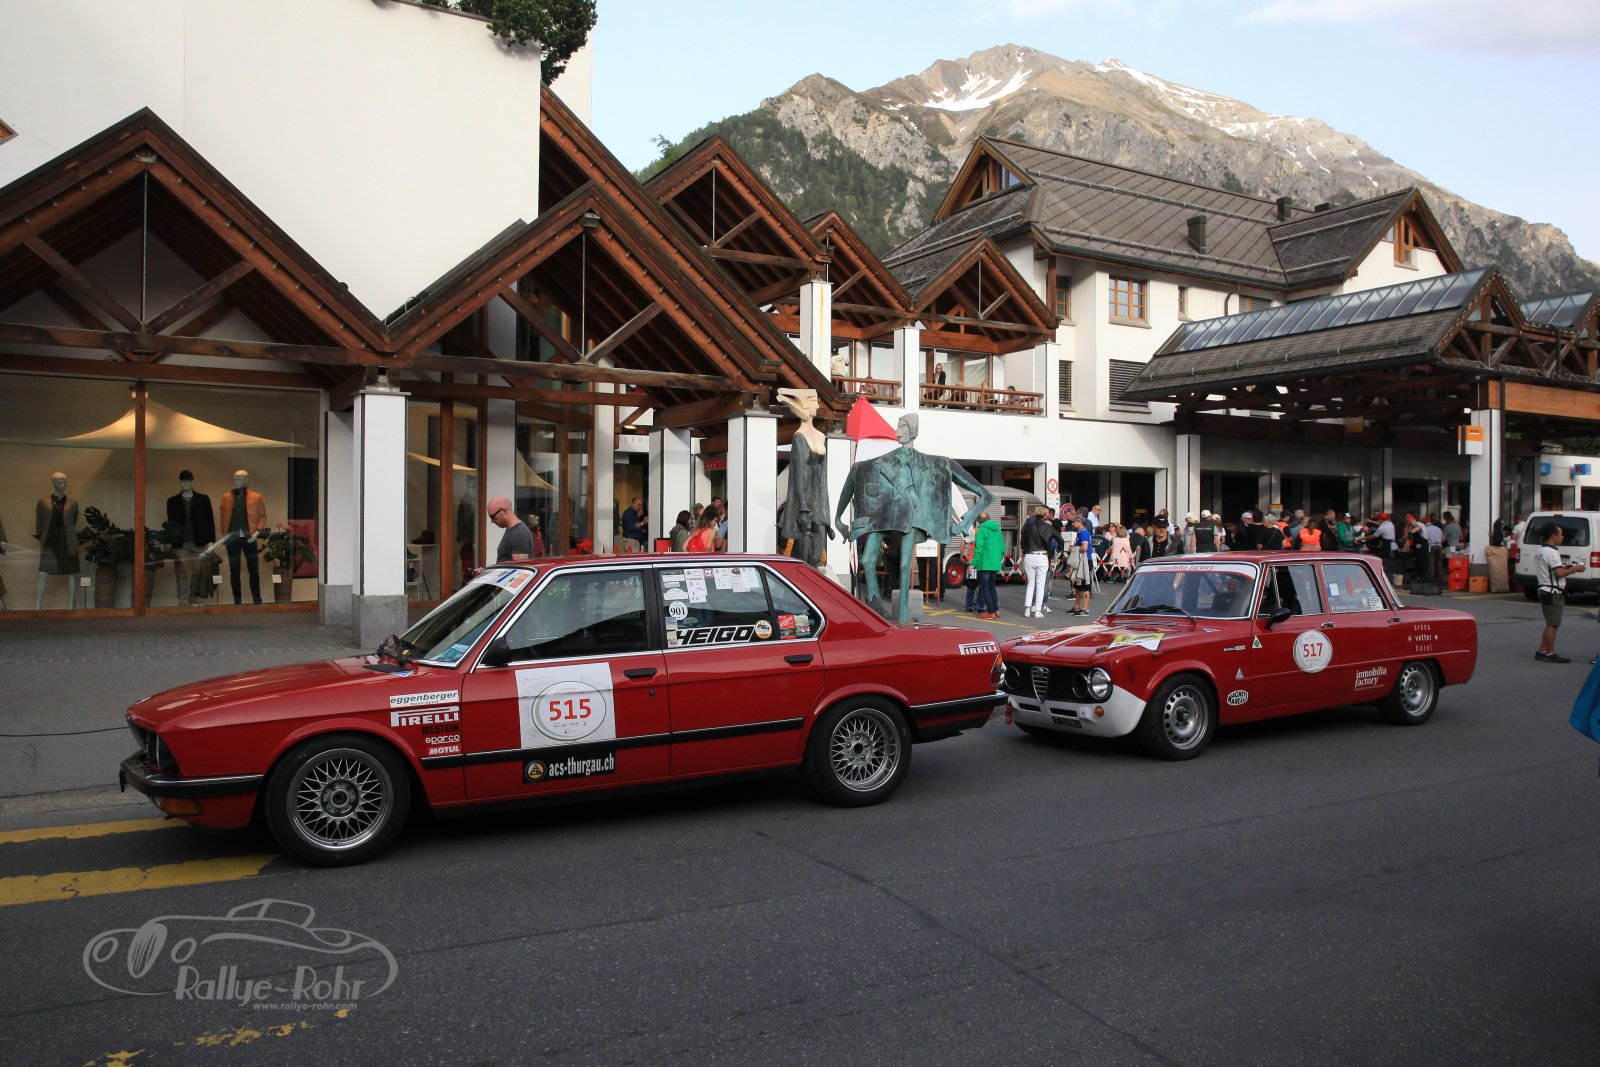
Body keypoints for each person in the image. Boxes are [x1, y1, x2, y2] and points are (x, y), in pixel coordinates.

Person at [1535, 523, 1584, 663]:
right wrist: (1575, 569)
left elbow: (1554, 570)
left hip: (1544, 589)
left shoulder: (1540, 551)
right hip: (1552, 591)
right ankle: (1549, 652)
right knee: (1553, 624)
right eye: (1560, 534)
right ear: (1553, 536)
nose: (1562, 537)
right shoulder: (1552, 552)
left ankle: (1542, 650)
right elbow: (1559, 573)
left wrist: (1565, 567)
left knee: (1550, 622)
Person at [1019, 506, 1053, 618]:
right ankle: (1037, 610)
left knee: (1030, 584)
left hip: (1029, 555)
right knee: (1040, 584)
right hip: (1042, 555)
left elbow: (1022, 539)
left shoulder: (1029, 524)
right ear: (1044, 514)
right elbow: (1058, 539)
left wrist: (1025, 548)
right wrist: (1053, 552)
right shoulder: (1046, 525)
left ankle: (1027, 609)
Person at [973, 510, 1003, 620]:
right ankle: (996, 609)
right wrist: (998, 559)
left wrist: (973, 563)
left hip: (984, 563)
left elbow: (978, 548)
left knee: (985, 588)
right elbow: (1002, 548)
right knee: (992, 587)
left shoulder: (981, 530)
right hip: (995, 563)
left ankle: (990, 612)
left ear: (979, 521)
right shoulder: (997, 529)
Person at [487, 495, 533, 565]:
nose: (492, 521)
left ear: (504, 510)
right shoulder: (513, 530)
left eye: (493, 517)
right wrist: (486, 570)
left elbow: (519, 568)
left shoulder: (519, 533)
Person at [1065, 516, 1094, 615]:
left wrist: (1073, 550)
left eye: (1073, 522)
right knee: (1077, 585)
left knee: (1085, 585)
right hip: (1080, 561)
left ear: (1079, 522)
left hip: (1085, 561)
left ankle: (1085, 609)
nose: (1072, 524)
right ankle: (1077, 607)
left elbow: (1084, 547)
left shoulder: (1084, 533)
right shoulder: (1080, 533)